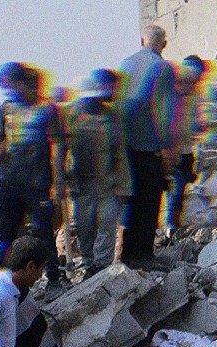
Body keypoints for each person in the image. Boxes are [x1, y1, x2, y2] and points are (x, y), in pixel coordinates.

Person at [0, 64, 64, 278]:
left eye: (11, 86)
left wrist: (60, 182)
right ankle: (5, 278)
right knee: (4, 233)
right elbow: (7, 141)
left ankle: (53, 276)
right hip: (8, 181)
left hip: (37, 183)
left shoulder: (47, 110)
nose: (9, 92)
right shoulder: (7, 108)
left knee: (42, 231)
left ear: (24, 84)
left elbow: (59, 146)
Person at [119, 24, 180, 266]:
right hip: (147, 145)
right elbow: (163, 109)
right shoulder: (162, 68)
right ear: (163, 44)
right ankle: (142, 254)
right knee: (149, 200)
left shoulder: (125, 64)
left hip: (125, 144)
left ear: (141, 40)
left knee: (131, 199)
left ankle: (126, 253)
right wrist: (168, 144)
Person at [64, 68, 131, 273]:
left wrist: (124, 187)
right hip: (81, 184)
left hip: (108, 183)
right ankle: (87, 262)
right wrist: (62, 180)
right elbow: (60, 152)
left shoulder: (113, 117)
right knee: (85, 227)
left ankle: (101, 267)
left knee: (107, 226)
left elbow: (120, 153)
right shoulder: (69, 116)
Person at [165, 55, 207, 233]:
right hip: (172, 151)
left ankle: (172, 225)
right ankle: (170, 226)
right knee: (174, 192)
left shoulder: (194, 95)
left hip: (184, 151)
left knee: (177, 191)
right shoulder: (171, 96)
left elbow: (193, 123)